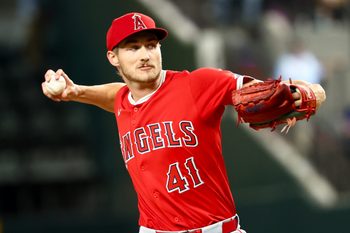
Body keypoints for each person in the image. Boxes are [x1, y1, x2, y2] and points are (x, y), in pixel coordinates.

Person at [41, 12, 318, 233]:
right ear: (113, 57)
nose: (145, 54)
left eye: (151, 45)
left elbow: (273, 92)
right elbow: (116, 95)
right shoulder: (123, 100)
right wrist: (76, 91)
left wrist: (307, 94)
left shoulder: (197, 84)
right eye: (133, 47)